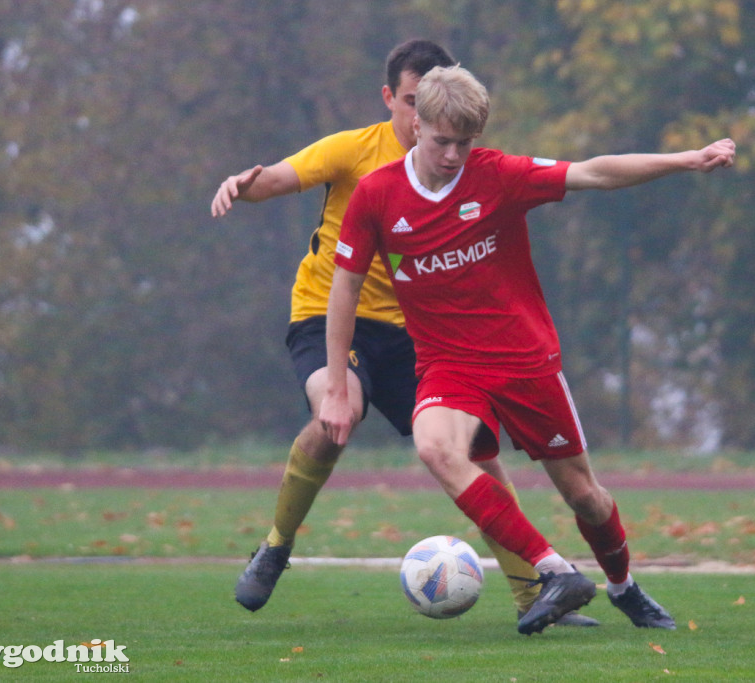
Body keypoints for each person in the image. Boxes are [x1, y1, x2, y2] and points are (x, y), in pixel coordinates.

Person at [320, 65, 736, 635]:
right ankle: (553, 570)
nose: (453, 155)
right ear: (415, 124)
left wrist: (685, 159)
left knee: (585, 497)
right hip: (449, 365)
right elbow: (343, 286)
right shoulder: (376, 195)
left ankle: (623, 587)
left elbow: (593, 172)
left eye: (465, 144)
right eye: (442, 141)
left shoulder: (498, 176)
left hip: (524, 361)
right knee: (436, 447)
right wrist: (339, 385)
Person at [211, 40, 596, 627]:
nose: (421, 118)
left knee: (472, 456)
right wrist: (245, 183)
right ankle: (276, 546)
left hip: (415, 335)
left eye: (429, 106)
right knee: (335, 416)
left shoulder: (458, 164)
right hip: (325, 316)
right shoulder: (354, 151)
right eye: (410, 103)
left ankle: (533, 591)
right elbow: (285, 176)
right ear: (391, 97)